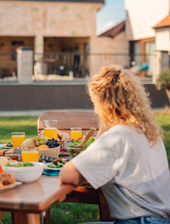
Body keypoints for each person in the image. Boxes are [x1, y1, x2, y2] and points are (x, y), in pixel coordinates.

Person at [59, 66, 170, 223]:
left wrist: (104, 129)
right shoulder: (146, 131)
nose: (96, 110)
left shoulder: (117, 137)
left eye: (95, 103)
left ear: (104, 104)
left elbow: (68, 175)